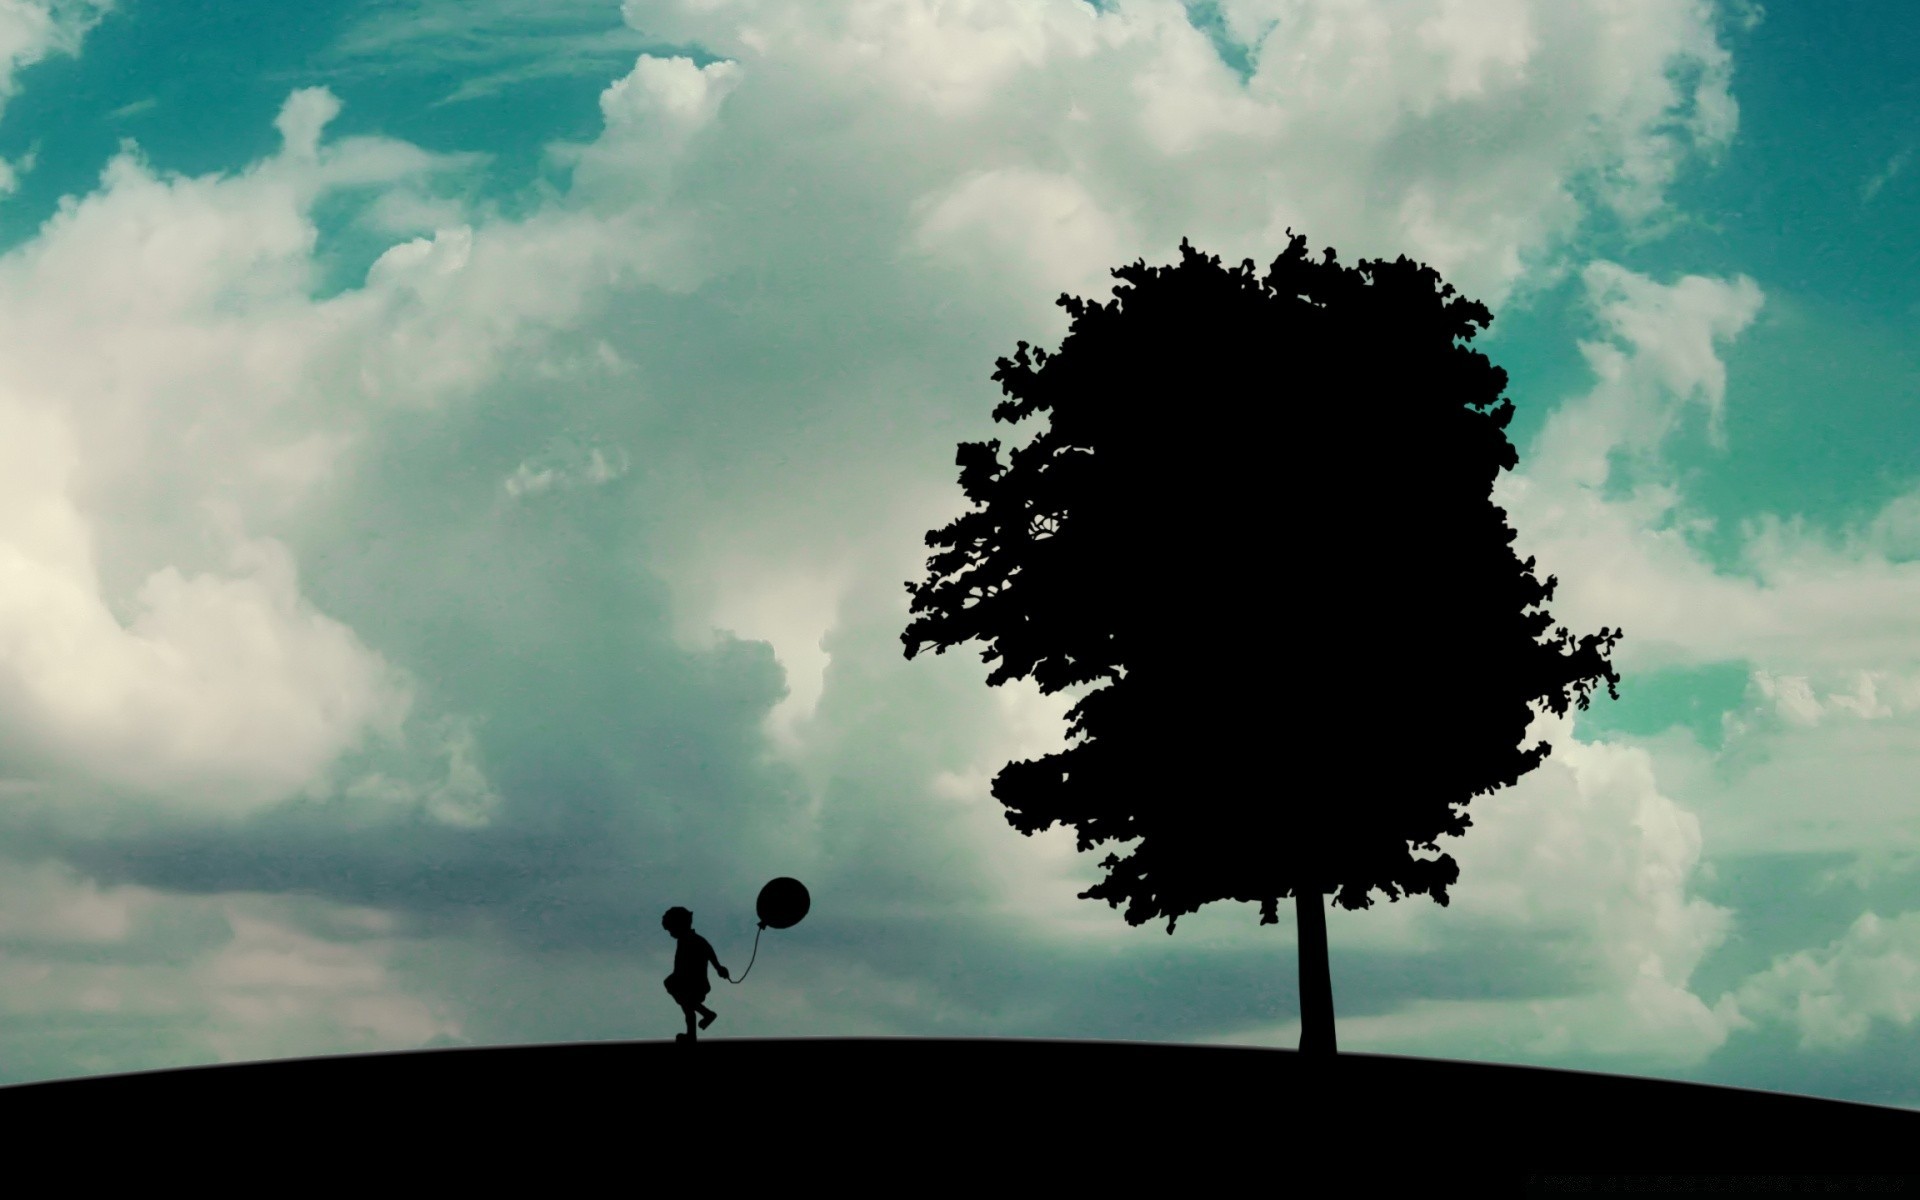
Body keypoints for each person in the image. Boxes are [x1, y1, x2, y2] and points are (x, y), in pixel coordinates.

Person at [662, 906, 729, 1042]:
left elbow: (709, 952)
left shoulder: (693, 940)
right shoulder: (686, 940)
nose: (670, 934)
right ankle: (692, 1034)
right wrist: (718, 967)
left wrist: (718, 967)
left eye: (671, 929)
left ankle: (706, 1015)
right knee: (687, 1007)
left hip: (694, 984)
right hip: (685, 982)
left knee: (687, 1005)